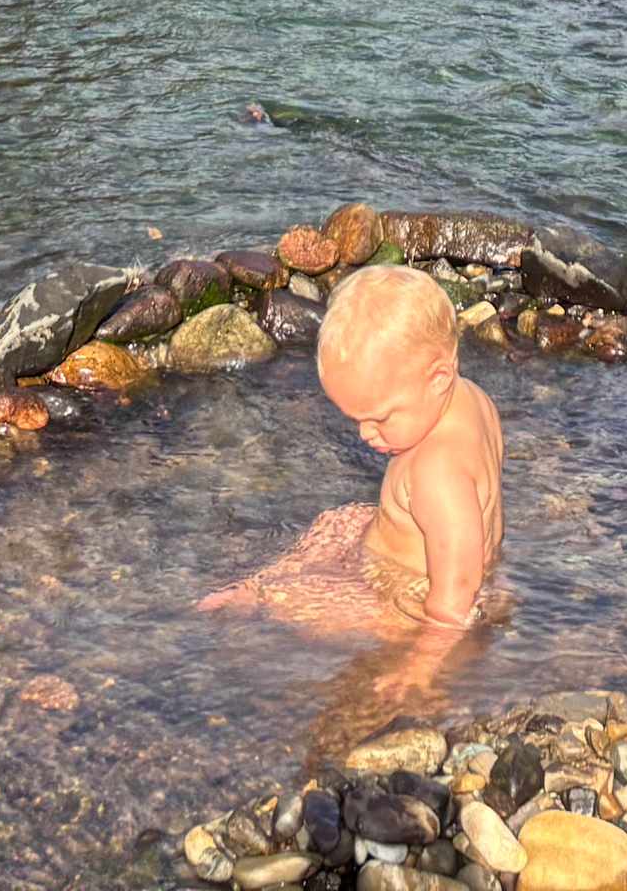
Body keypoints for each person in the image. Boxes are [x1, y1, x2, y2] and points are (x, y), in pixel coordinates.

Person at [199, 265, 504, 670]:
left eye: (379, 418)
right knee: (339, 521)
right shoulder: (470, 400)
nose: (364, 433)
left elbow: (457, 590)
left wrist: (422, 664)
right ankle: (266, 582)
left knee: (295, 601)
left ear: (437, 378)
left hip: (413, 602)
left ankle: (262, 593)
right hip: (426, 562)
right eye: (355, 419)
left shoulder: (438, 471)